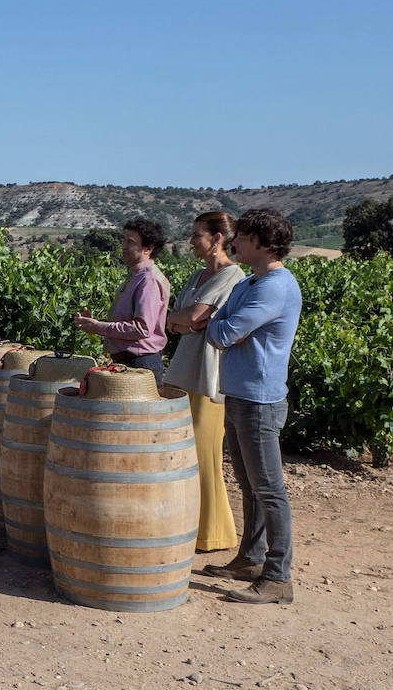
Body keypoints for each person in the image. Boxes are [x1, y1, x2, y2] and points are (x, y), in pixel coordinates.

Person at [202, 208, 303, 605]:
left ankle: (278, 577)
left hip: (260, 400)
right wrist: (218, 326)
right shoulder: (250, 284)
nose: (235, 242)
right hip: (241, 395)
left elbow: (223, 330)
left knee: (269, 489)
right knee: (250, 485)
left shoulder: (274, 287)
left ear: (263, 242)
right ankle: (250, 558)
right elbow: (221, 324)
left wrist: (217, 326)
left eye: (242, 236)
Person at [163, 212, 245, 552]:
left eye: (198, 235)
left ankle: (215, 534)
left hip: (210, 376)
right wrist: (185, 320)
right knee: (184, 454)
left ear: (218, 238)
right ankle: (192, 528)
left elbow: (193, 318)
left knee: (205, 455)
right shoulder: (198, 275)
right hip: (185, 370)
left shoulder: (233, 275)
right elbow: (175, 320)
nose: (192, 241)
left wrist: (187, 320)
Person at [73, 217, 171, 385]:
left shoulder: (148, 280)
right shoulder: (135, 277)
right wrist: (94, 325)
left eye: (130, 242)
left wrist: (99, 327)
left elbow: (142, 329)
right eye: (124, 240)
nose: (123, 246)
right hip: (130, 362)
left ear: (148, 248)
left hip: (140, 364)